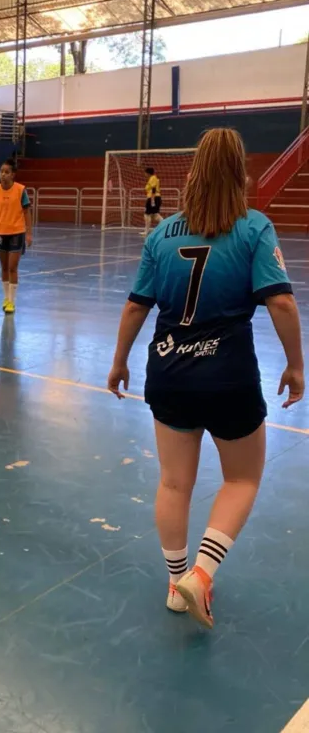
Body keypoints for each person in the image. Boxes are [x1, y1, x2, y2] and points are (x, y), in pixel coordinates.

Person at [107, 128, 304, 628]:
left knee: (175, 482)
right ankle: (202, 573)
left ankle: (176, 584)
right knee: (241, 478)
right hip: (229, 378)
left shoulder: (161, 234)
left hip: (169, 371)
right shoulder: (253, 228)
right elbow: (279, 299)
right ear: (241, 175)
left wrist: (119, 360)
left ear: (192, 173)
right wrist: (296, 363)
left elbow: (136, 306)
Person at [0, 159, 32, 314]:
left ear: (13, 174)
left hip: (17, 233)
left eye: (6, 172)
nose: (3, 174)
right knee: (4, 267)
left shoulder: (20, 190)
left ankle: (12, 301)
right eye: (1, 171)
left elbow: (26, 212)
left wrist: (29, 233)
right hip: (1, 233)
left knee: (12, 267)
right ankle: (6, 298)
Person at [143, 166, 163, 237]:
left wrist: (152, 199)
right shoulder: (152, 178)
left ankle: (147, 231)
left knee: (147, 214)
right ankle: (165, 226)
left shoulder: (153, 178)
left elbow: (154, 188)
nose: (144, 174)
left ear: (148, 173)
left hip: (153, 197)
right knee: (155, 215)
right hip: (154, 197)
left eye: (145, 172)